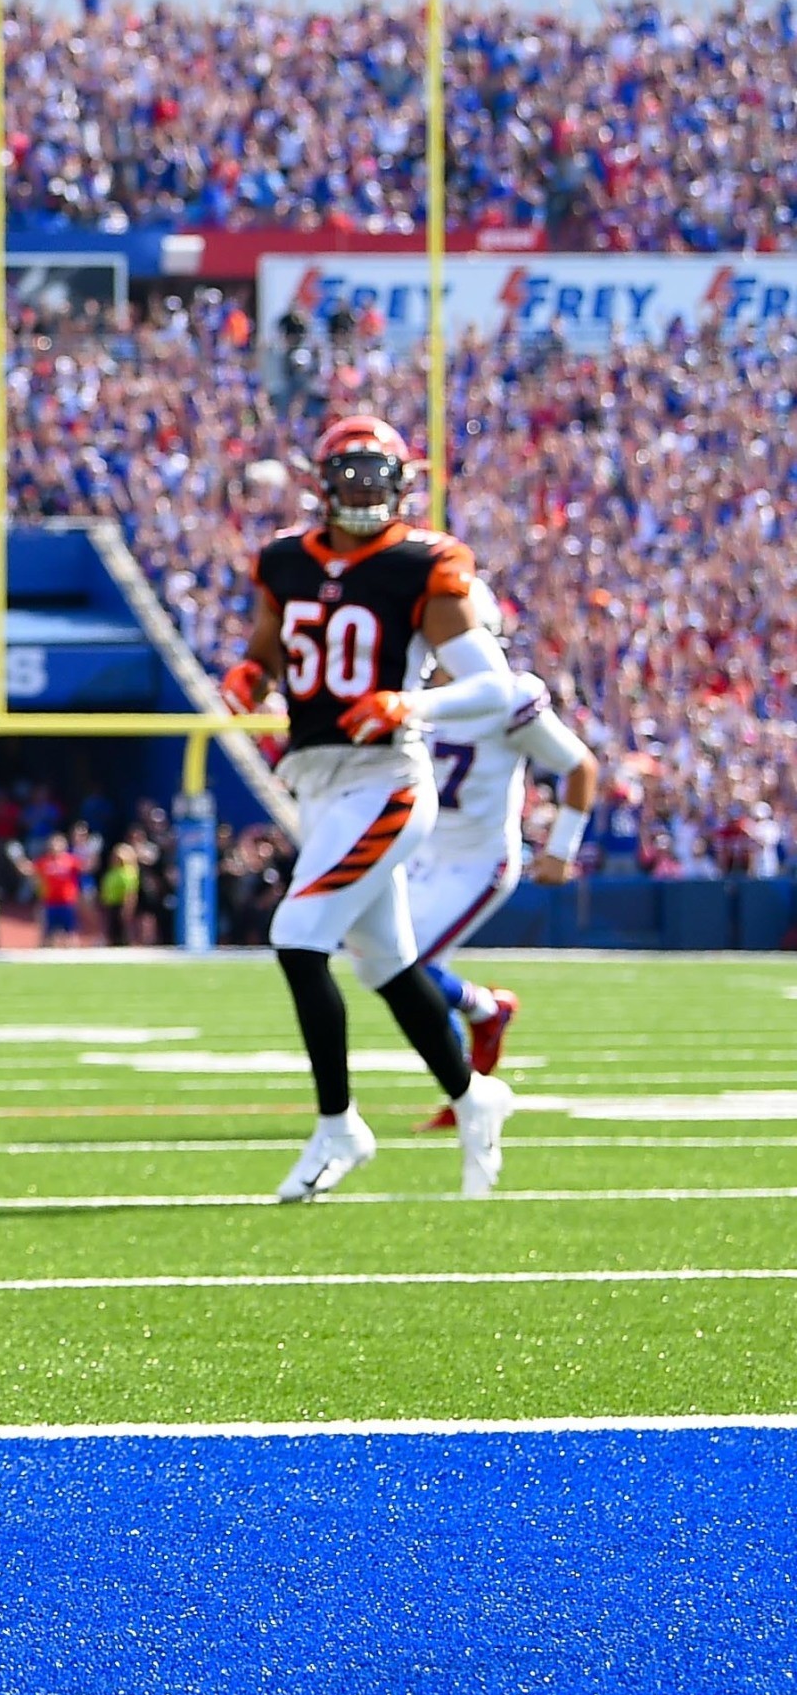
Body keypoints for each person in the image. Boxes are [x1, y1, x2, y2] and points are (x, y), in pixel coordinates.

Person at [219, 416, 528, 1203]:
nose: (360, 490)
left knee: (296, 934)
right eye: (346, 476)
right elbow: (267, 647)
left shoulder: (422, 564)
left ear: (401, 483)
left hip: (388, 779)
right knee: (389, 964)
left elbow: (499, 686)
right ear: (321, 483)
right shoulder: (285, 559)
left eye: (373, 476)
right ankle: (473, 1093)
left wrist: (408, 703)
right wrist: (249, 677)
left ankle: (338, 1126)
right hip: (318, 779)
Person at [404, 631, 602, 1093]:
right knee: (384, 960)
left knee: (407, 967)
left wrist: (559, 852)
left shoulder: (507, 698)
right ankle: (485, 1017)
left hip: (478, 860)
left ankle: (470, 1074)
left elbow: (580, 767)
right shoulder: (413, 692)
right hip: (419, 852)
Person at [31, 831, 84, 946]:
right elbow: (32, 872)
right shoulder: (43, 861)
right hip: (50, 902)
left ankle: (75, 959)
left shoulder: (71, 860)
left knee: (71, 933)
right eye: (53, 843)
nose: (55, 846)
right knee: (47, 934)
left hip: (67, 902)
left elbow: (86, 868)